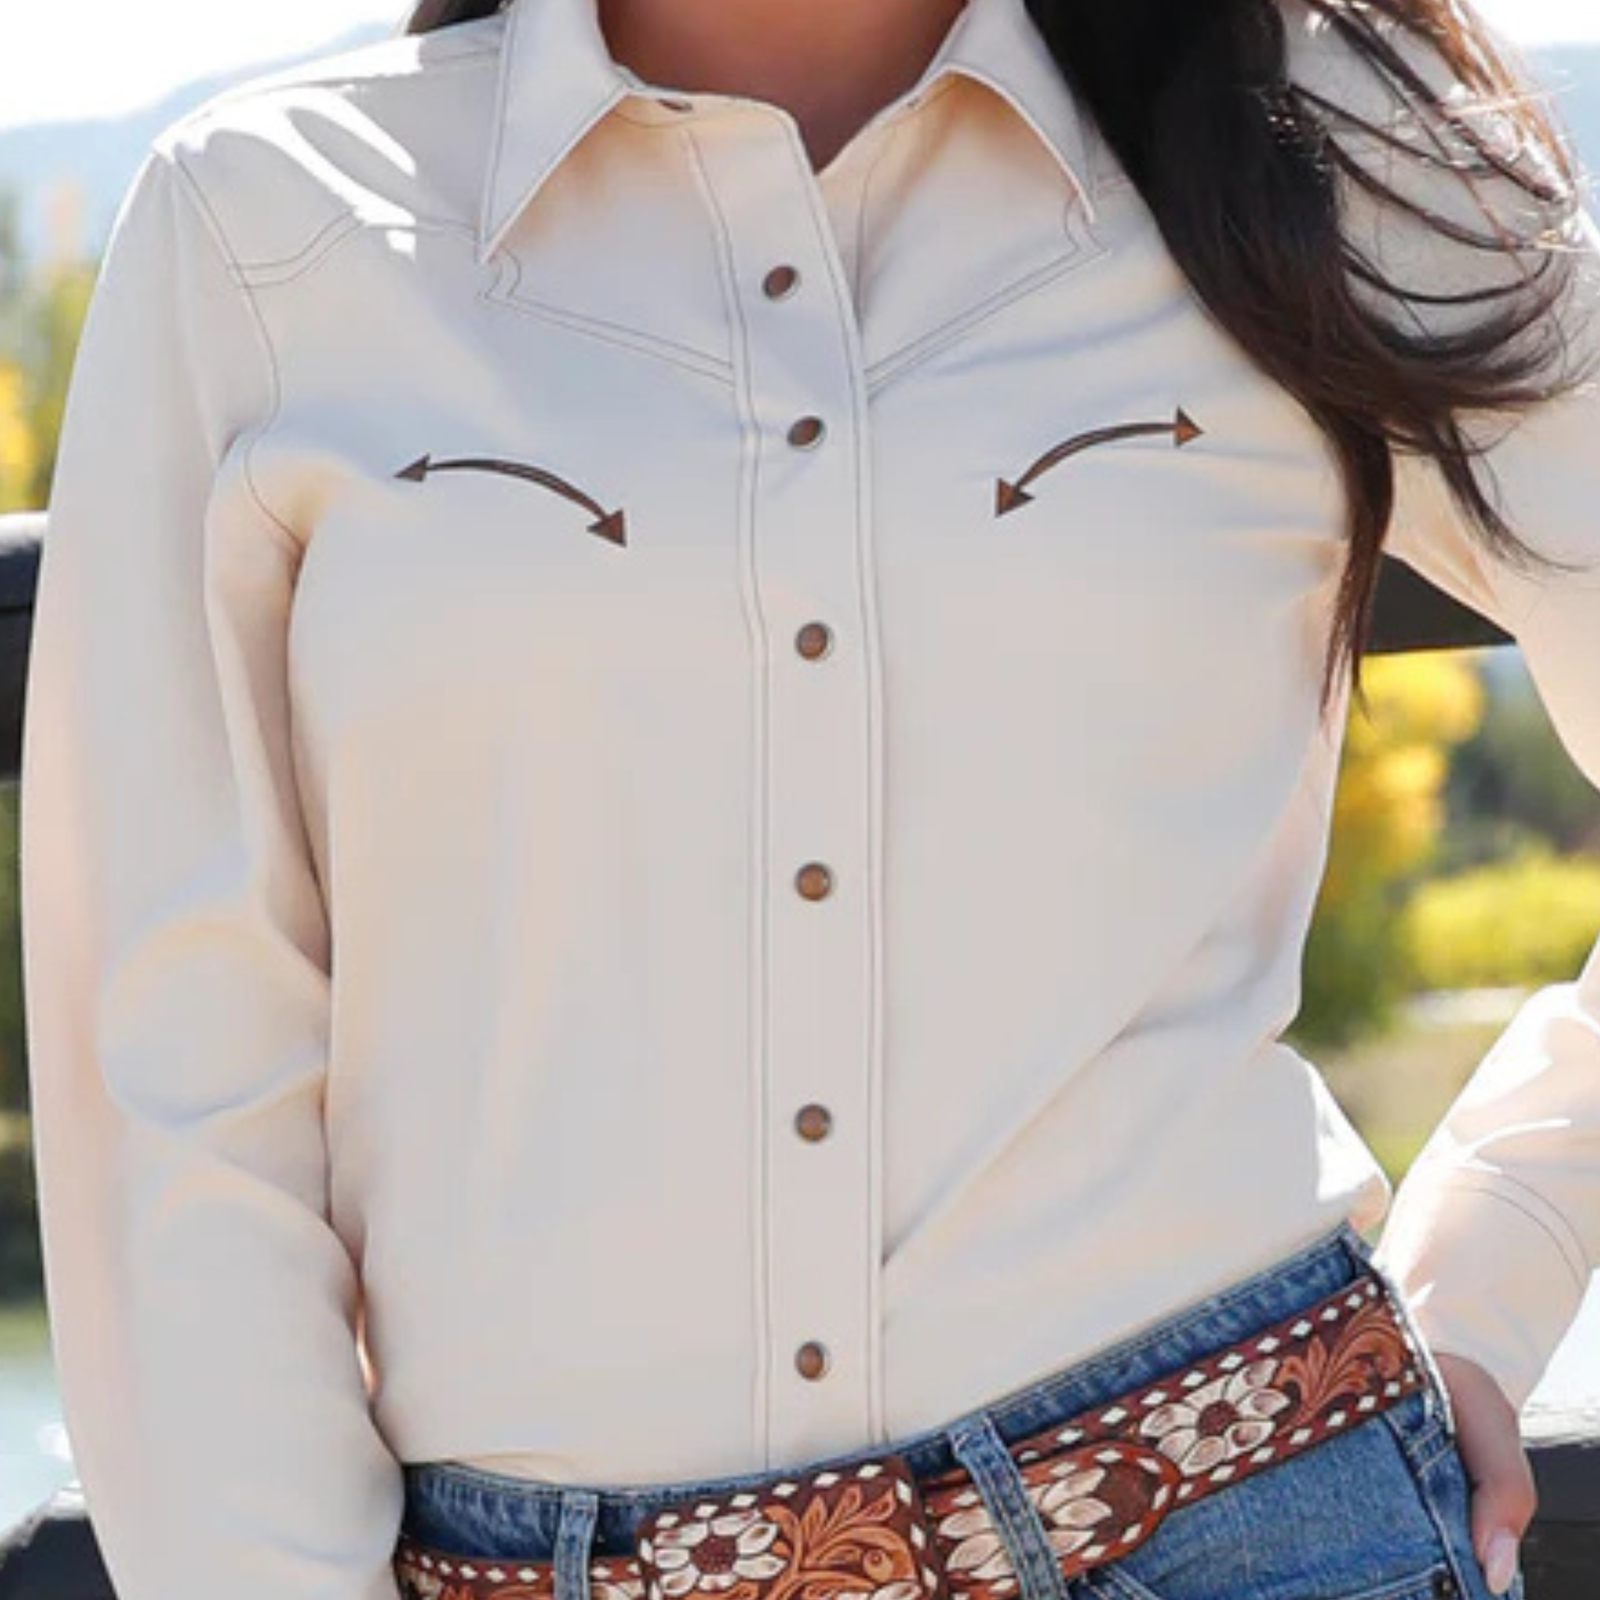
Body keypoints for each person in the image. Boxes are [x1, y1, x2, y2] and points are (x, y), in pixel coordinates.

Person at [19, 0, 1600, 1597]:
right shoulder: (268, 227)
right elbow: (180, 1072)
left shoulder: (1320, 141)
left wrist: (1499, 1258)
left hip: (1257, 1520)